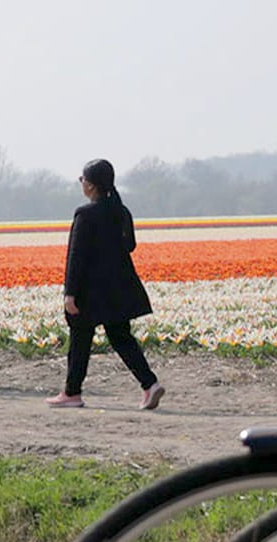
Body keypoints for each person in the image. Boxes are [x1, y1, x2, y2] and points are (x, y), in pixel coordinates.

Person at [47, 159, 162, 410]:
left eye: (82, 180)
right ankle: (149, 384)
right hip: (119, 286)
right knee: (121, 337)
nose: (81, 184)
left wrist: (70, 293)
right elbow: (129, 246)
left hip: (90, 290)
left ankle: (72, 393)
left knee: (80, 338)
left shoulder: (85, 214)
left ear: (90, 185)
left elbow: (75, 257)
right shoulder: (121, 211)